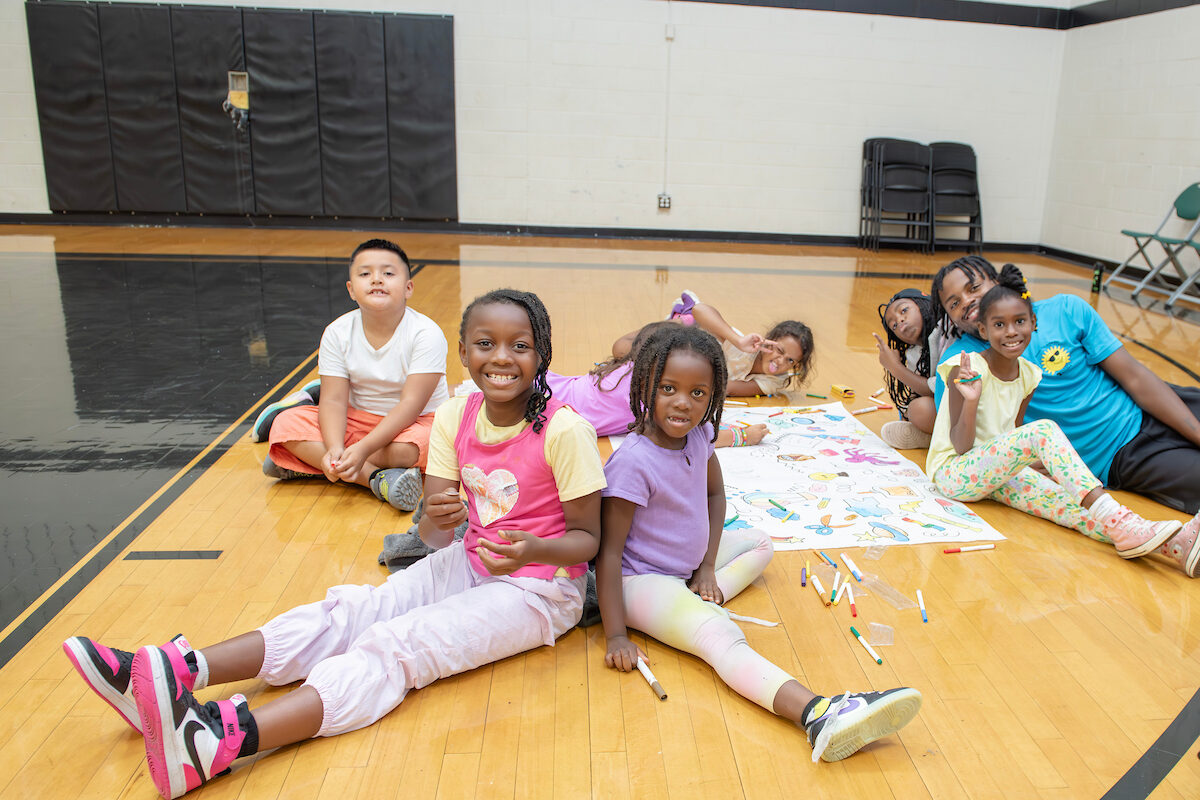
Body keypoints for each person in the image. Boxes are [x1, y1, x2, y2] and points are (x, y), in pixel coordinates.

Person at [62, 289, 606, 799]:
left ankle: (219, 742)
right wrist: (441, 518)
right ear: (462, 352)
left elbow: (587, 540)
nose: (502, 358)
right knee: (353, 609)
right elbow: (437, 535)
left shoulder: (564, 430)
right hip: (471, 559)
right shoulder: (454, 416)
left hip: (540, 592)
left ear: (543, 355)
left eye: (521, 345)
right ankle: (174, 673)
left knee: (398, 643)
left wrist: (531, 549)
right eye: (485, 344)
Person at [597, 324, 922, 763]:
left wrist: (708, 567)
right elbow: (609, 554)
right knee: (722, 636)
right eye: (668, 388)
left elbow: (715, 495)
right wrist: (615, 635)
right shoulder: (632, 462)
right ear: (645, 386)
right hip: (641, 581)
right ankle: (817, 714)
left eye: (698, 393)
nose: (683, 403)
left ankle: (694, 601)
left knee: (760, 543)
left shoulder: (699, 435)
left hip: (687, 570)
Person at [930, 255, 1199, 576]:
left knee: (1071, 508)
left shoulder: (1035, 363)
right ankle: (1126, 522)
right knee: (1047, 444)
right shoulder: (961, 361)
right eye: (954, 303)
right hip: (1118, 457)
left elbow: (1014, 428)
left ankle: (1170, 543)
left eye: (974, 287)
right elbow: (961, 441)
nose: (968, 301)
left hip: (1147, 409)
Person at [257, 238, 450, 512]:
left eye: (388, 273)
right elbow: (334, 401)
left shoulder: (426, 333)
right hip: (357, 420)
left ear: (408, 288)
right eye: (365, 274)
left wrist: (359, 450)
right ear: (351, 289)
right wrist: (335, 446)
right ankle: (375, 479)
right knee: (284, 424)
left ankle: (311, 464)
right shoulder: (337, 332)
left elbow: (410, 406)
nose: (376, 280)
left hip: (415, 423)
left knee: (428, 445)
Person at [548, 319, 768, 447]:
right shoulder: (648, 393)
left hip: (551, 385)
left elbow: (623, 343)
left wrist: (676, 321)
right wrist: (743, 436)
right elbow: (690, 434)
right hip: (548, 411)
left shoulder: (632, 363)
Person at [612, 290, 815, 398]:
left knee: (627, 357)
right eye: (779, 351)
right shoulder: (742, 344)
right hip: (689, 333)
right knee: (620, 348)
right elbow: (701, 309)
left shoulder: (775, 381)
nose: (780, 361)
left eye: (790, 360)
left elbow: (725, 387)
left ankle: (685, 322)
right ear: (769, 341)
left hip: (685, 360)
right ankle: (682, 320)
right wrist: (738, 341)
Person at [872, 288, 944, 449]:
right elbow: (917, 391)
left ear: (923, 303)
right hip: (950, 408)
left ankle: (935, 438)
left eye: (904, 310)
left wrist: (895, 368)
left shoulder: (946, 331)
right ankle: (932, 437)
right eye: (894, 325)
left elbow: (940, 388)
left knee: (920, 409)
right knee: (915, 408)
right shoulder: (914, 353)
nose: (900, 321)